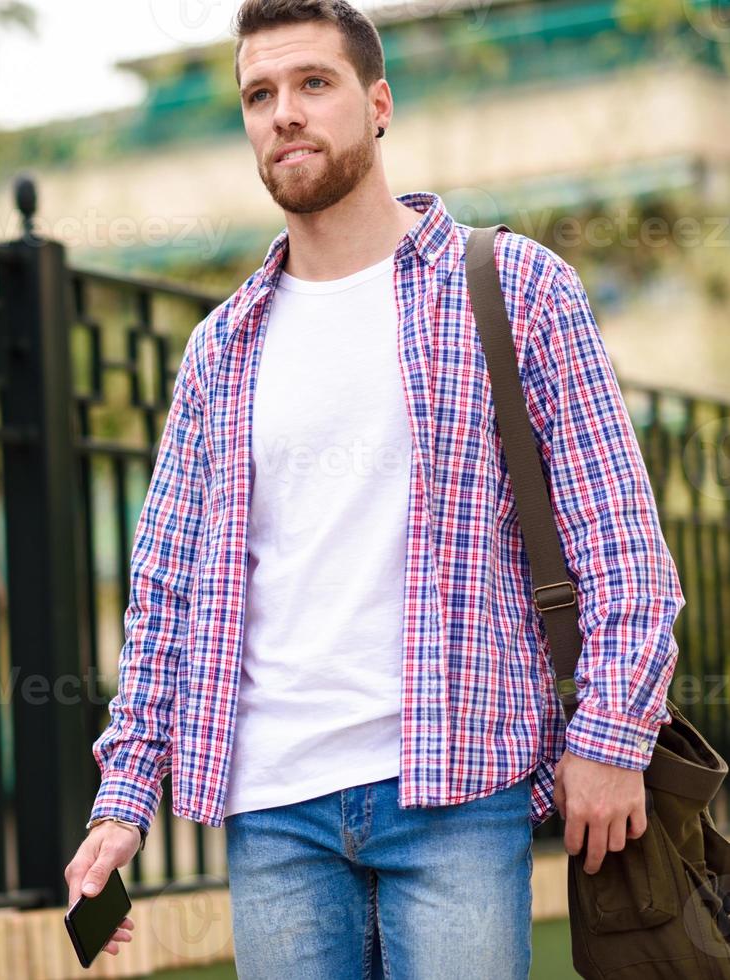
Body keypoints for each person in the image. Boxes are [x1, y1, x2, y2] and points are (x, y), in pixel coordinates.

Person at [62, 0, 685, 975]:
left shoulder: (514, 287)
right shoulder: (221, 347)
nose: (283, 113)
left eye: (312, 83)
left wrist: (608, 734)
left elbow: (619, 546)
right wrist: (122, 796)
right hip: (271, 806)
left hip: (451, 790)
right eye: (257, 94)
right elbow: (167, 594)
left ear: (377, 101)